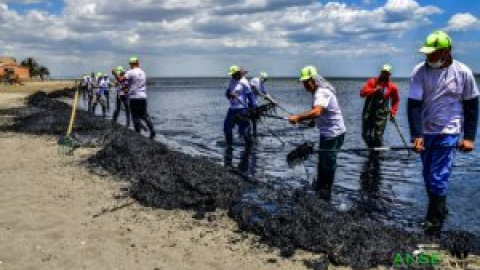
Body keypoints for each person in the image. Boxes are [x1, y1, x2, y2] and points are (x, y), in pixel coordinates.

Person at [408, 30, 479, 233]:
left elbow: (471, 106)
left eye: (433, 53)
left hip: (449, 131)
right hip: (426, 130)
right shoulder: (419, 71)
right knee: (428, 176)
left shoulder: (463, 72)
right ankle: (441, 210)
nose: (428, 57)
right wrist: (417, 135)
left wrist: (469, 138)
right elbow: (413, 104)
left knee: (438, 176)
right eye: (427, 53)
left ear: (446, 51)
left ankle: (433, 226)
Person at [288, 66, 346, 201]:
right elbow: (320, 113)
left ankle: (327, 192)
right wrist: (313, 122)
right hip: (326, 133)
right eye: (303, 82)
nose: (304, 85)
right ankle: (321, 187)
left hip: (334, 133)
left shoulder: (322, 92)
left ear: (314, 80)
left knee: (328, 163)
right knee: (322, 161)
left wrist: (298, 117)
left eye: (306, 82)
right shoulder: (317, 92)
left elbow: (317, 111)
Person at [114, 56, 155, 138]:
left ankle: (138, 134)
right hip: (143, 97)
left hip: (134, 97)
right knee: (144, 116)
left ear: (130, 64)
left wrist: (115, 73)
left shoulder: (130, 72)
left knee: (135, 116)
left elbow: (121, 80)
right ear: (138, 63)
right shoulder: (143, 72)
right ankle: (152, 131)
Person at [360, 64, 400, 147]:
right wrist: (374, 90)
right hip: (369, 112)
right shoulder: (372, 82)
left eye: (387, 73)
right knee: (366, 135)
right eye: (383, 72)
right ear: (381, 72)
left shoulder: (392, 87)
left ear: (389, 74)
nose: (385, 74)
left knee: (378, 136)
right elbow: (362, 93)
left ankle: (377, 153)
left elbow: (396, 100)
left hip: (381, 114)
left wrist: (393, 112)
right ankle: (371, 148)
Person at [224, 65, 256, 146]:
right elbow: (227, 94)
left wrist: (253, 109)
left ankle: (249, 146)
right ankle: (229, 145)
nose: (232, 75)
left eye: (234, 74)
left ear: (238, 73)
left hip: (242, 109)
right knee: (227, 128)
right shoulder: (231, 81)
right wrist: (230, 95)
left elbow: (250, 96)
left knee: (243, 131)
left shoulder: (244, 82)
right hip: (232, 109)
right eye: (231, 74)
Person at [249, 72, 277, 137]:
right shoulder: (256, 80)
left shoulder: (261, 83)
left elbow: (265, 93)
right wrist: (265, 97)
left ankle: (254, 133)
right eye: (264, 79)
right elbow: (256, 90)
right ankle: (251, 133)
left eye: (265, 80)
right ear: (261, 78)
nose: (265, 81)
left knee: (254, 120)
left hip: (254, 103)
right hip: (249, 102)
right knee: (252, 119)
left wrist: (273, 101)